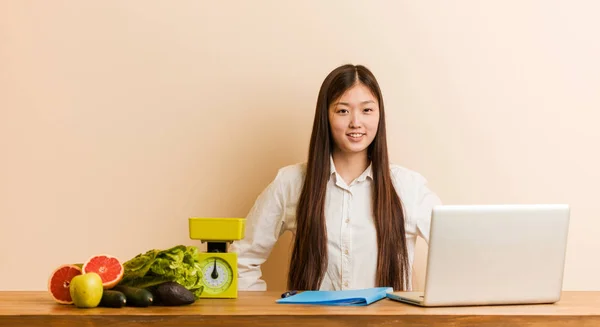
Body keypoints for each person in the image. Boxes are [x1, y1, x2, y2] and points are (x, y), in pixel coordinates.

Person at [229, 64, 442, 292]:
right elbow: (241, 261)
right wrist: (267, 315)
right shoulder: (291, 182)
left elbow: (459, 253)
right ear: (326, 117)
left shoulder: (408, 187)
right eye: (343, 111)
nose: (356, 122)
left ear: (379, 115)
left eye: (367, 110)